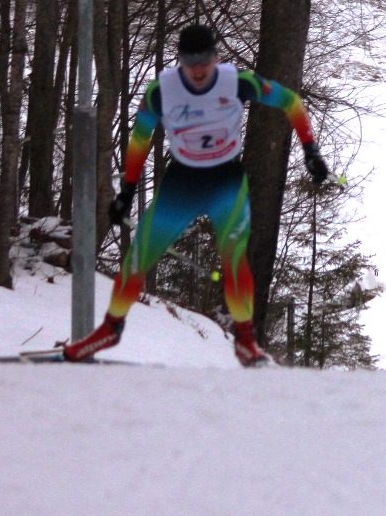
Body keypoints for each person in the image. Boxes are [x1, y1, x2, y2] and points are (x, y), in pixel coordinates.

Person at [63, 24, 328, 366]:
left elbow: (290, 101)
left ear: (216, 57)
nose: (199, 69)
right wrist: (127, 190)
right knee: (139, 255)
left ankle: (246, 341)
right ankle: (110, 329)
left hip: (225, 182)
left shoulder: (238, 82)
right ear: (180, 61)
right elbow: (140, 138)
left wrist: (310, 150)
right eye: (191, 62)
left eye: (205, 60)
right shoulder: (162, 90)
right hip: (182, 183)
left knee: (234, 259)